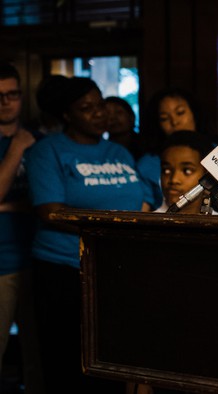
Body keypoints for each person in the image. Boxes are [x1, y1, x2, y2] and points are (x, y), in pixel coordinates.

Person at [25, 76, 143, 392]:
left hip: (115, 268)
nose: (99, 113)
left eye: (101, 104)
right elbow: (50, 211)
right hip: (63, 269)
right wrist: (105, 228)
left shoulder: (117, 153)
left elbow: (140, 203)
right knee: (67, 364)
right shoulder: (47, 151)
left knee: (110, 362)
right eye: (86, 108)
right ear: (67, 115)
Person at [0, 63, 44, 393]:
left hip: (39, 258)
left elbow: (51, 202)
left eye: (13, 94)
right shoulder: (23, 142)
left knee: (39, 359)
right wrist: (15, 148)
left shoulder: (40, 140)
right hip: (1, 264)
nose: (6, 102)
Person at [137, 88, 218, 214]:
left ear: (194, 113)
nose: (174, 122)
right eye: (164, 118)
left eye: (180, 113)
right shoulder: (147, 163)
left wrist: (209, 192)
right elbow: (142, 210)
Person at [155, 130, 218, 214]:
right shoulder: (146, 224)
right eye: (167, 171)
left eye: (187, 171)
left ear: (208, 176)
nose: (174, 180)